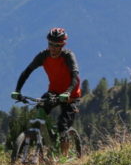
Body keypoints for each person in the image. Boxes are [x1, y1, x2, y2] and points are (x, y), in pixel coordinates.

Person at [11, 27, 81, 155]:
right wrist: (17, 91)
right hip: (53, 92)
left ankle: (63, 158)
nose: (53, 48)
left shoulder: (68, 56)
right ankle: (44, 141)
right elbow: (27, 72)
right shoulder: (43, 56)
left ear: (62, 45)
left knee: (62, 126)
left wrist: (68, 92)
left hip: (70, 95)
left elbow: (75, 77)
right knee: (39, 112)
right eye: (51, 44)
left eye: (57, 45)